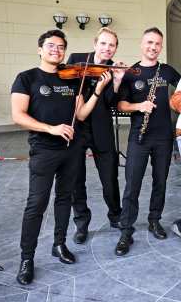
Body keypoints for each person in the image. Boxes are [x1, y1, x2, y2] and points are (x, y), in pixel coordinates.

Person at [11, 29, 112, 285]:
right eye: (51, 46)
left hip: (71, 150)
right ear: (40, 49)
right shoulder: (26, 78)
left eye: (61, 47)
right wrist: (50, 128)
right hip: (44, 151)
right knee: (37, 204)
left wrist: (98, 90)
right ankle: (27, 258)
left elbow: (80, 115)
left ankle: (59, 244)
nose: (56, 50)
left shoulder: (71, 79)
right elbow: (18, 115)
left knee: (64, 199)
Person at [115, 27, 180, 256]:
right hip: (139, 137)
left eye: (157, 44)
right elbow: (120, 105)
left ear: (160, 47)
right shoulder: (131, 73)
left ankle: (154, 220)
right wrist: (139, 106)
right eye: (149, 43)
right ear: (142, 44)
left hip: (164, 136)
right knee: (132, 184)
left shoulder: (167, 71)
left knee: (160, 182)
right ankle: (126, 230)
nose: (153, 47)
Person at [67, 27, 124, 244]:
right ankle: (81, 223)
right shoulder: (77, 60)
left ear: (115, 48)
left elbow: (111, 104)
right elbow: (69, 90)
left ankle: (115, 216)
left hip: (102, 129)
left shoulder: (114, 69)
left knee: (110, 178)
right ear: (95, 44)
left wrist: (116, 82)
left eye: (112, 45)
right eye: (103, 43)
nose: (107, 48)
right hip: (77, 128)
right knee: (76, 179)